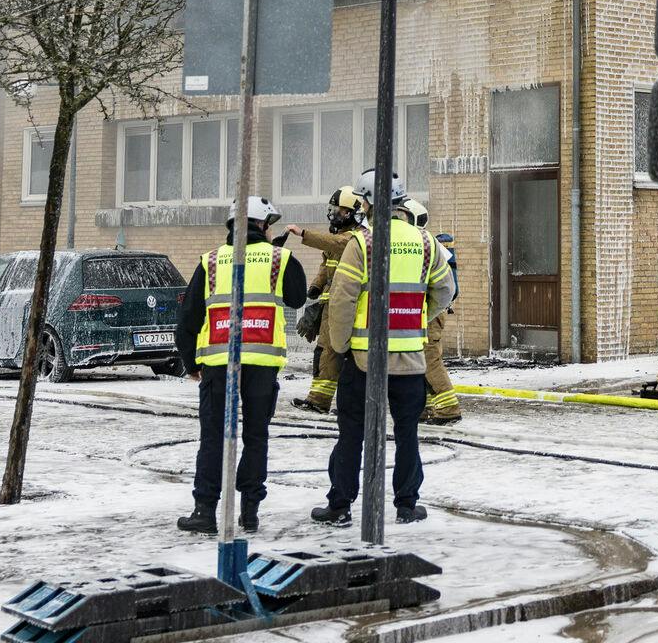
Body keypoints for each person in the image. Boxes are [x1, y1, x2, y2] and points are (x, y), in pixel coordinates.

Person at [310, 185, 455, 527]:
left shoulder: (362, 243)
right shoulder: (425, 241)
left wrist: (341, 345)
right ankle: (406, 505)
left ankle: (340, 504)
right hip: (410, 359)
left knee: (351, 434)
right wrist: (417, 317)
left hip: (363, 360)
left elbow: (343, 301)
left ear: (370, 204)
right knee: (407, 435)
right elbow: (446, 291)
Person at [175, 196, 307, 535]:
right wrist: (276, 258)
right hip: (262, 365)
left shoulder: (212, 261)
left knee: (214, 438)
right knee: (255, 436)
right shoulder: (280, 258)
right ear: (262, 225)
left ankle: (205, 511)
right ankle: (250, 510)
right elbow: (297, 298)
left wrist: (191, 363)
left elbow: (188, 318)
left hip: (219, 365)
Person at [286, 186, 367, 415]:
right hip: (330, 303)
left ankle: (334, 402)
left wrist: (303, 234)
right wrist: (315, 286)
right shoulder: (337, 237)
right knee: (324, 352)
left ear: (352, 213)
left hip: (349, 305)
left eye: (339, 211)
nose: (334, 215)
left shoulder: (357, 238)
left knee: (338, 353)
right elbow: (327, 263)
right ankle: (318, 400)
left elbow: (335, 245)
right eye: (333, 210)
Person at [401, 195, 463, 426]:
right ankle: (424, 408)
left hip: (430, 313)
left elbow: (445, 287)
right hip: (422, 312)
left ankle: (448, 408)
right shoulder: (422, 244)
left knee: (430, 359)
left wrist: (429, 311)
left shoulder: (427, 245)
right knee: (418, 360)